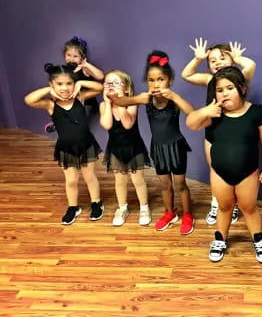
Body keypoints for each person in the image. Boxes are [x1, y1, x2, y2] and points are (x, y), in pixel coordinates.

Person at [186, 66, 262, 263]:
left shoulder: (256, 113)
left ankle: (258, 239)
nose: (224, 93)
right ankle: (220, 238)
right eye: (219, 90)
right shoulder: (214, 115)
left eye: (229, 88)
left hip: (248, 173)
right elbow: (191, 124)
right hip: (219, 173)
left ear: (242, 89)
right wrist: (205, 111)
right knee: (224, 207)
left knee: (249, 207)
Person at [109, 51, 195, 235]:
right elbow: (118, 100)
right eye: (151, 80)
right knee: (165, 185)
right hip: (158, 149)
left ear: (170, 81)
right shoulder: (146, 100)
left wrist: (174, 97)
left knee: (180, 184)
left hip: (176, 147)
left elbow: (192, 113)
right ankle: (170, 212)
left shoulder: (173, 100)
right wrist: (136, 99)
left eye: (160, 79)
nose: (156, 84)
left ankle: (188, 214)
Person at [182, 38, 256, 225]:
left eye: (222, 58)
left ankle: (234, 205)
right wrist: (198, 59)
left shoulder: (239, 77)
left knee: (238, 170)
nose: (217, 62)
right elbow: (187, 74)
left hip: (236, 133)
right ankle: (217, 202)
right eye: (212, 60)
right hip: (213, 132)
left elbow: (251, 65)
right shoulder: (209, 80)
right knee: (216, 169)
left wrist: (238, 58)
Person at [24, 63, 104, 224]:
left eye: (69, 83)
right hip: (66, 149)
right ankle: (73, 207)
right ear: (52, 85)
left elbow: (99, 88)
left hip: (86, 145)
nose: (65, 88)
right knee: (71, 180)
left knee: (90, 177)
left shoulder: (79, 98)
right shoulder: (51, 105)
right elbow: (29, 100)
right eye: (59, 84)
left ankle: (97, 203)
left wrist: (80, 83)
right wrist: (49, 91)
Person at [99, 70, 150, 227]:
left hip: (134, 147)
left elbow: (128, 124)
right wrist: (108, 103)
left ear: (127, 89)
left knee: (138, 180)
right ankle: (122, 208)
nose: (111, 86)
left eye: (116, 83)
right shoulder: (103, 105)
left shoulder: (132, 104)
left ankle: (144, 207)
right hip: (115, 149)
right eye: (108, 83)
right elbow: (106, 124)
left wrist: (121, 102)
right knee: (119, 181)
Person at [45, 36, 104, 133]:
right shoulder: (65, 70)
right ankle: (60, 122)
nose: (71, 59)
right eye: (68, 55)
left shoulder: (84, 69)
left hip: (86, 101)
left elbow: (100, 77)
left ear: (82, 57)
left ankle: (66, 124)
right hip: (70, 99)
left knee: (77, 120)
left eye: (75, 56)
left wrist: (86, 65)